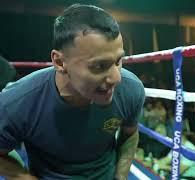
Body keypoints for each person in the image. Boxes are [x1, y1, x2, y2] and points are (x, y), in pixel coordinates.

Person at [0, 4, 145, 180]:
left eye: (118, 61)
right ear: (60, 62)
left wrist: (120, 177)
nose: (116, 78)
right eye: (99, 65)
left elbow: (130, 134)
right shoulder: (18, 101)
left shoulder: (131, 89)